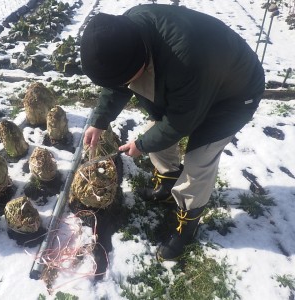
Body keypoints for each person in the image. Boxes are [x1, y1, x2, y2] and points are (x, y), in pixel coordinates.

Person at [80, 4, 265, 261]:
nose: (124, 85)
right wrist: (99, 120)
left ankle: (187, 226)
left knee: (199, 160)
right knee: (154, 131)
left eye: (126, 79)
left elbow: (179, 124)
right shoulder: (122, 35)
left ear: (140, 58)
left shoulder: (186, 57)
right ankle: (168, 183)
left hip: (234, 94)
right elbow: (118, 79)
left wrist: (142, 146)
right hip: (195, 81)